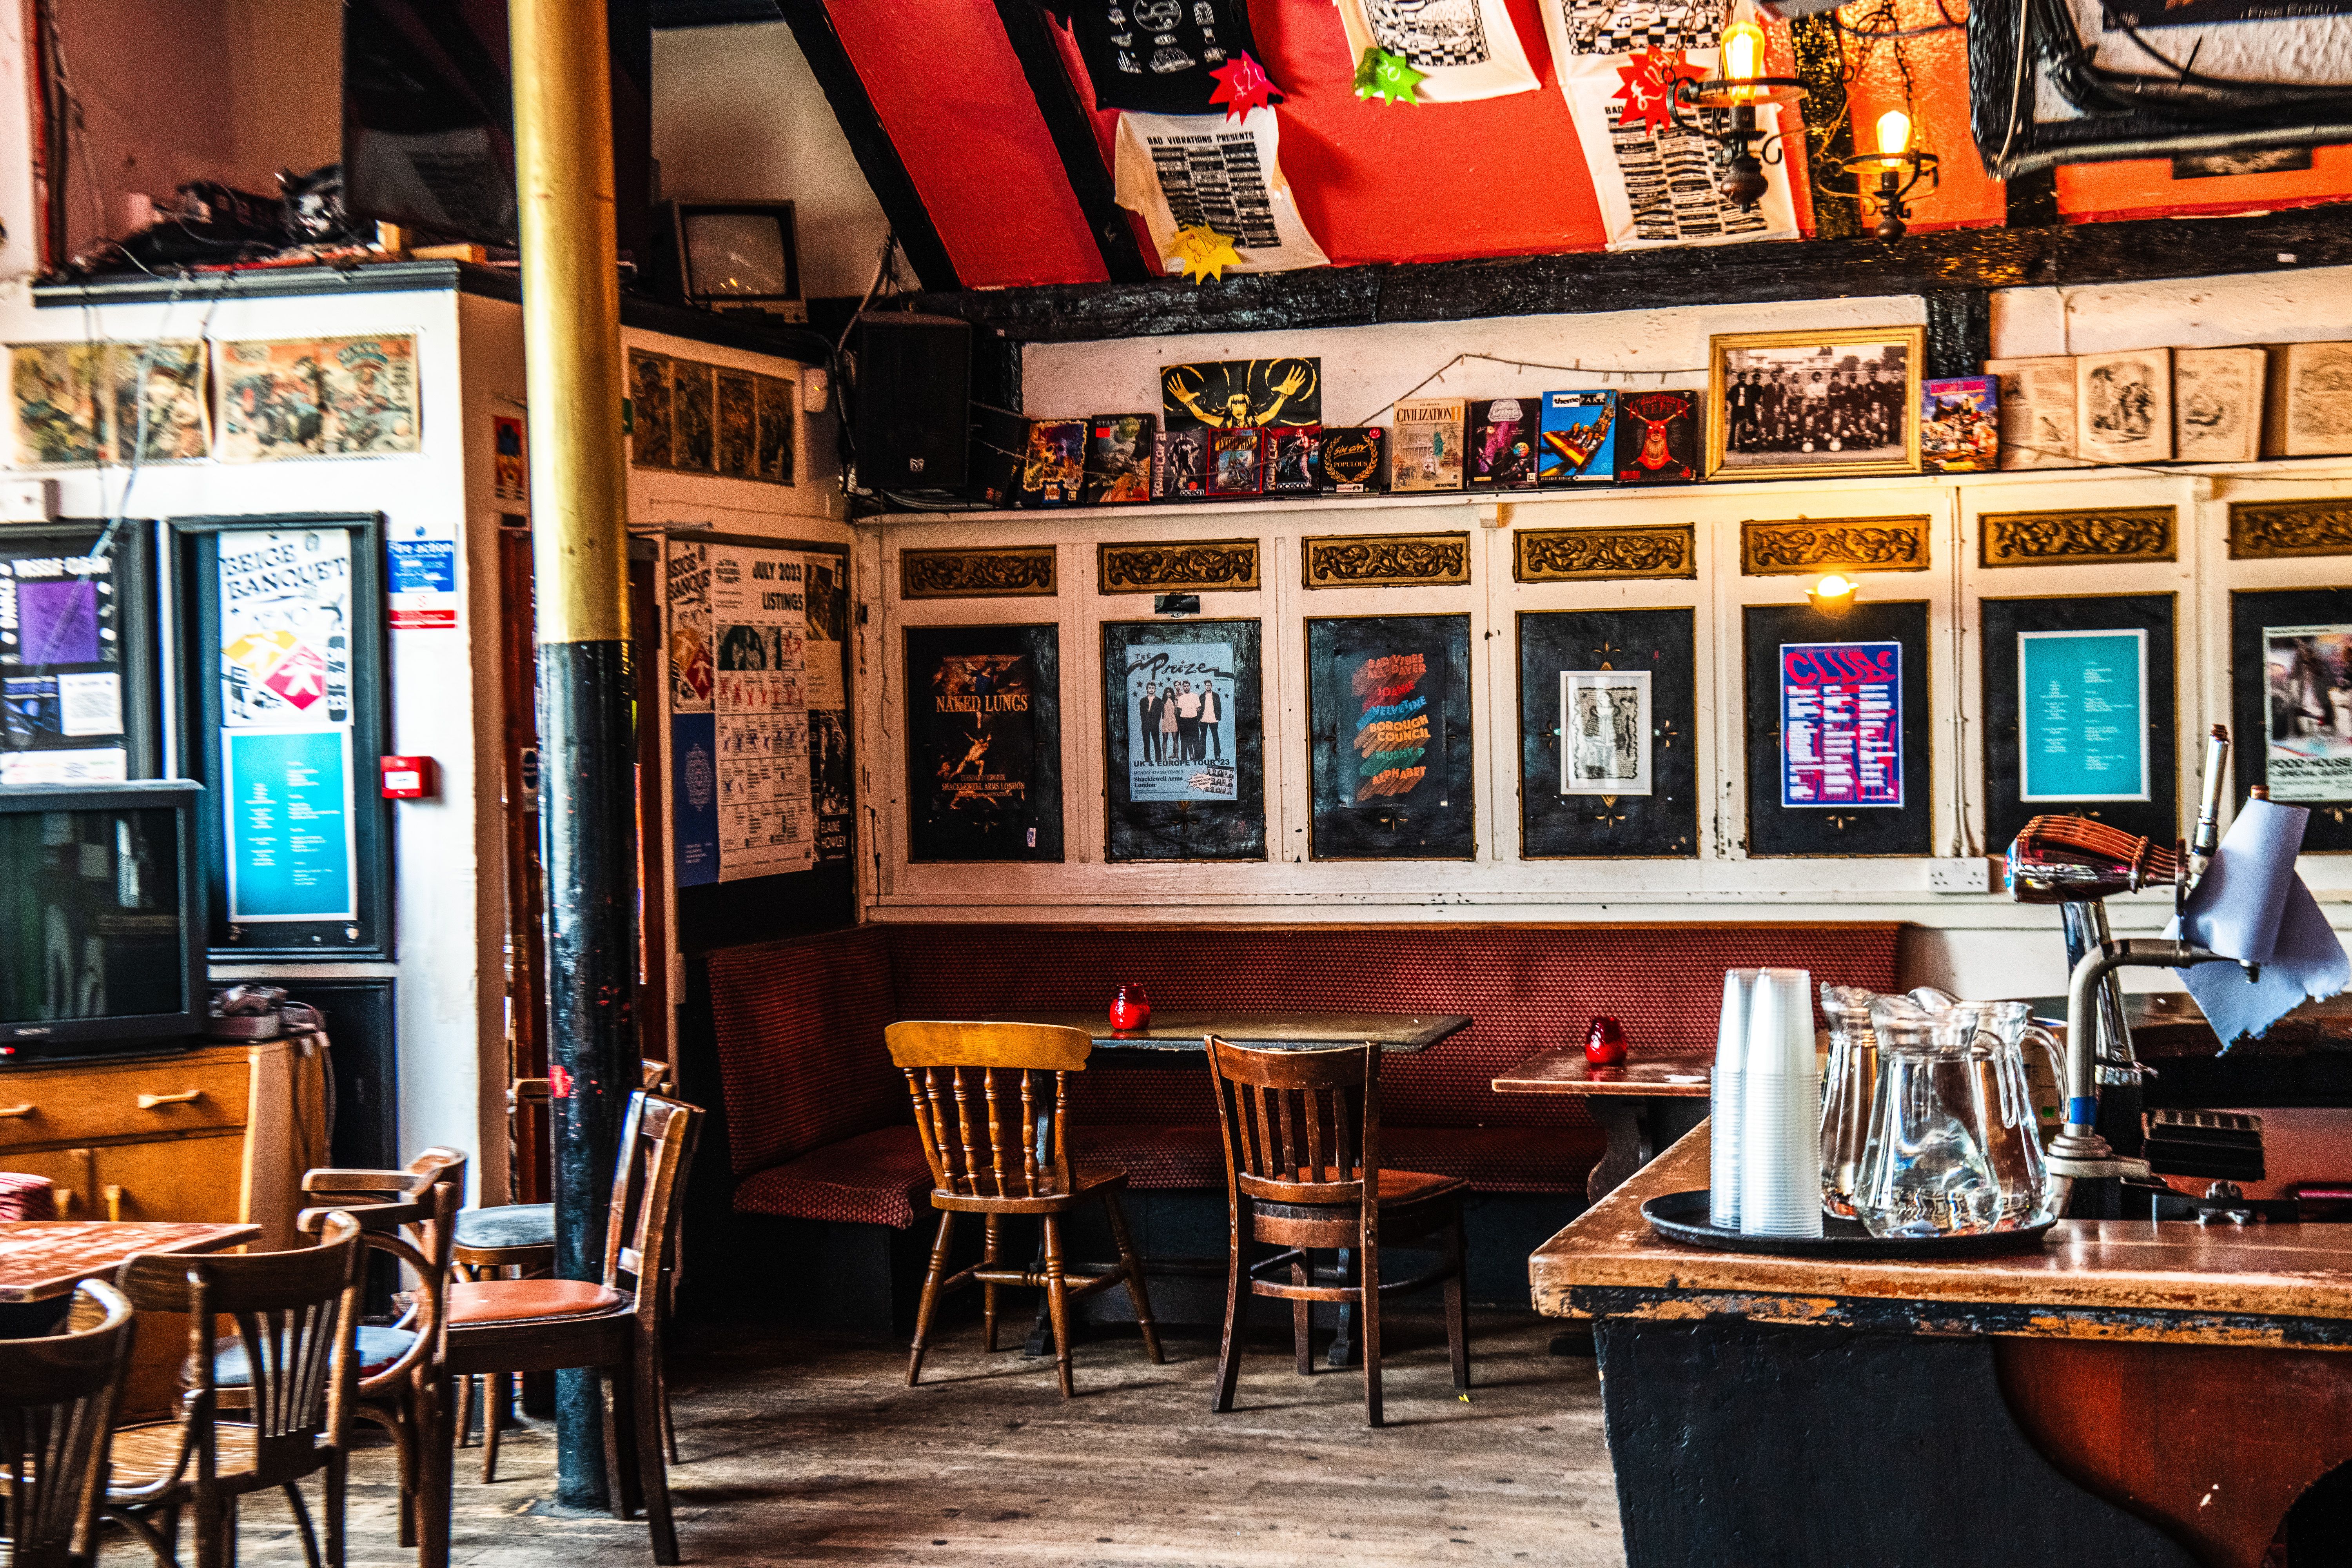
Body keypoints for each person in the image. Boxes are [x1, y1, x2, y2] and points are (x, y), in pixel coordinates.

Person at [1175, 680, 1202, 761]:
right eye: (1185, 686)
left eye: (1187, 686)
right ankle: (1185, 759)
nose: (1186, 688)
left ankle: (1198, 758)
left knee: (1196, 739)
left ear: (1190, 686)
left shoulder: (1195, 696)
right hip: (1184, 721)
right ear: (1183, 688)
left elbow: (1199, 709)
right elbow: (1179, 710)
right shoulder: (1181, 698)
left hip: (1193, 721)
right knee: (1184, 741)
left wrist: (1197, 718)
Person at [1199, 680, 1222, 759]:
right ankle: (1202, 755)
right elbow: (1199, 708)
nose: (1208, 686)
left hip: (1213, 719)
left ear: (1211, 686)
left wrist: (1218, 718)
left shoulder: (1216, 696)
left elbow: (1219, 707)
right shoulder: (1202, 696)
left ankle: (1217, 754)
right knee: (1203, 737)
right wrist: (1199, 718)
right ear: (1205, 687)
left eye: (1209, 685)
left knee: (1215, 736)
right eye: (1207, 685)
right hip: (1204, 719)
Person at [1139, 677, 1160, 764]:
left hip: (1155, 725)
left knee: (1157, 743)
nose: (1151, 689)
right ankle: (1148, 761)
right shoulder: (1143, 701)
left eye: (1153, 688)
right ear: (1147, 689)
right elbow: (1142, 714)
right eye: (1150, 688)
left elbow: (1159, 715)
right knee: (1146, 744)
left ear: (1155, 690)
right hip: (1145, 725)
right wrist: (1145, 723)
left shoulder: (1158, 701)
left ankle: (1159, 761)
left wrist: (1155, 724)